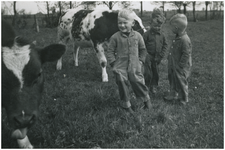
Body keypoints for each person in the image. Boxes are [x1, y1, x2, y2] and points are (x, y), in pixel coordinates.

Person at [107, 9, 152, 115]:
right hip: (120, 66)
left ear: (132, 23)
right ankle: (126, 105)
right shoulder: (115, 37)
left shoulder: (137, 36)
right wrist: (113, 64)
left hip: (135, 66)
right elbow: (110, 51)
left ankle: (146, 100)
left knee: (138, 82)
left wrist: (141, 61)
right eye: (119, 23)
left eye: (125, 23)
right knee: (122, 84)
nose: (122, 25)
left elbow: (143, 50)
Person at [164, 14, 192, 105]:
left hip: (180, 67)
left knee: (181, 82)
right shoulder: (177, 37)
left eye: (171, 27)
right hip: (173, 64)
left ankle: (183, 98)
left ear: (176, 28)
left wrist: (181, 65)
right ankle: (173, 94)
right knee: (172, 79)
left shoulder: (185, 40)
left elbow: (186, 54)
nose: (170, 29)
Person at [143, 8, 168, 94]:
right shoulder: (146, 34)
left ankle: (154, 86)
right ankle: (146, 85)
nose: (157, 28)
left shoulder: (162, 35)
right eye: (155, 26)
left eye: (159, 26)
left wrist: (161, 55)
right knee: (147, 72)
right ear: (150, 24)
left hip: (157, 57)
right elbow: (142, 45)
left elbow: (165, 45)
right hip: (148, 57)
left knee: (156, 72)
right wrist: (145, 55)